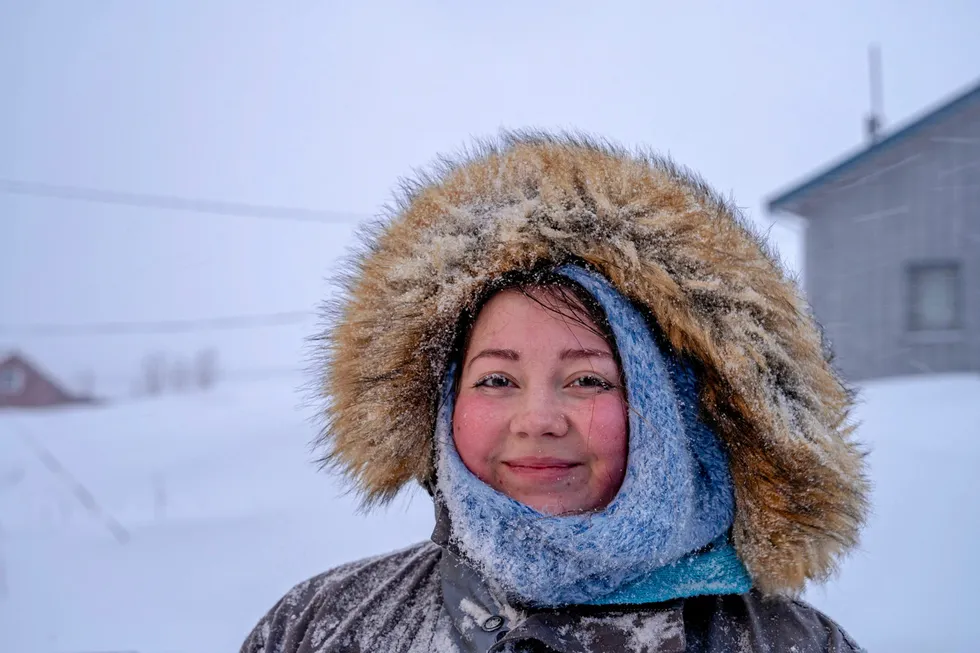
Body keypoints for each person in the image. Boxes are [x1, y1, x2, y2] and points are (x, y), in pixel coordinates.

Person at [240, 132, 869, 652]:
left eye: (587, 380)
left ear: (671, 414)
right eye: (496, 380)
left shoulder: (792, 644)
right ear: (442, 405)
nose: (537, 419)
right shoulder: (320, 629)